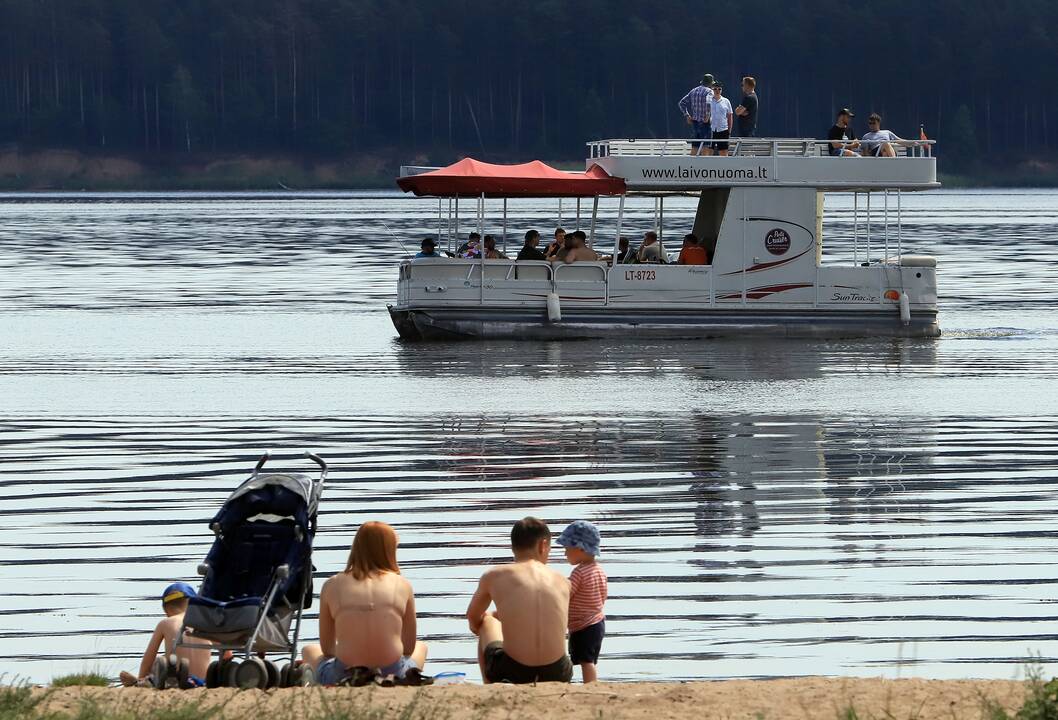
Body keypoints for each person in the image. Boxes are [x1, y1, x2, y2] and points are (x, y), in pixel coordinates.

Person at [302, 522, 428, 685]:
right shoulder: (403, 585)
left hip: (344, 674)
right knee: (421, 647)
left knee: (309, 650)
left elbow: (327, 650)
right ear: (389, 551)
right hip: (393, 673)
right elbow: (408, 648)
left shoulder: (331, 585)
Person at [466, 517, 573, 684]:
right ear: (543, 545)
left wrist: (494, 621)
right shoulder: (563, 581)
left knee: (487, 619)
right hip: (558, 672)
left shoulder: (494, 575)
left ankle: (489, 686)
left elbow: (473, 619)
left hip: (514, 671)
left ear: (513, 546)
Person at [119, 583, 211, 687]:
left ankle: (141, 683)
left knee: (159, 661)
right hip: (203, 683)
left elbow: (148, 660)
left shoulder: (166, 623)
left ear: (166, 610)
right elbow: (227, 655)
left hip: (177, 681)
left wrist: (141, 678)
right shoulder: (206, 623)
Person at [557, 521, 608, 684]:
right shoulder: (599, 570)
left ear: (580, 549)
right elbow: (603, 595)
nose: (565, 554)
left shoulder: (579, 573)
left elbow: (566, 594)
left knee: (586, 661)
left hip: (583, 625)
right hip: (597, 622)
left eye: (567, 549)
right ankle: (589, 683)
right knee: (589, 659)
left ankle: (590, 685)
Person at [678, 73, 715, 155]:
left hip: (695, 122)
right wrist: (708, 115)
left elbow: (681, 103)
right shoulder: (709, 91)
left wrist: (687, 115)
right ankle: (704, 166)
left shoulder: (693, 91)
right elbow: (708, 102)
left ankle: (690, 166)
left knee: (695, 146)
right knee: (705, 146)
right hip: (705, 123)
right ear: (710, 83)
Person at [706, 82, 734, 156]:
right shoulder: (709, 101)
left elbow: (730, 116)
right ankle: (708, 167)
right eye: (715, 89)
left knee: (724, 152)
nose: (717, 90)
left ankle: (725, 167)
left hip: (723, 130)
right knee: (709, 151)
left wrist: (729, 131)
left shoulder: (726, 101)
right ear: (712, 90)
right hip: (711, 129)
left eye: (719, 89)